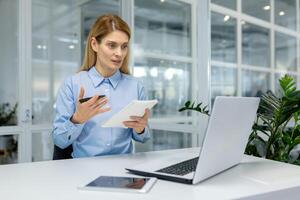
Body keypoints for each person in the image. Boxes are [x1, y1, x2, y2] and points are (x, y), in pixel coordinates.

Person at [52, 14, 150, 158]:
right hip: (83, 171)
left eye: (124, 47)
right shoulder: (72, 84)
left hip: (124, 169)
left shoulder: (136, 87)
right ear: (94, 45)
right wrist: (77, 119)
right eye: (112, 45)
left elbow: (143, 137)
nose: (119, 53)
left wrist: (140, 129)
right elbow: (59, 141)